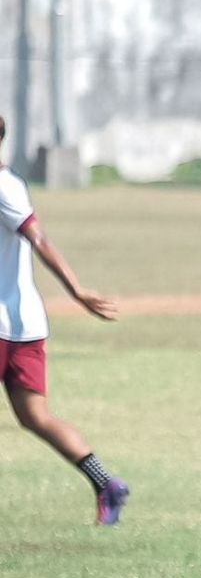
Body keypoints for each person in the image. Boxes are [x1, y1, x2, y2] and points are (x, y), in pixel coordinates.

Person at [0, 116, 129, 524]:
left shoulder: (4, 187)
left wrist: (75, 289)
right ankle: (105, 482)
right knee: (35, 417)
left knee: (35, 416)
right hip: (23, 325)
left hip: (6, 323)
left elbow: (39, 237)